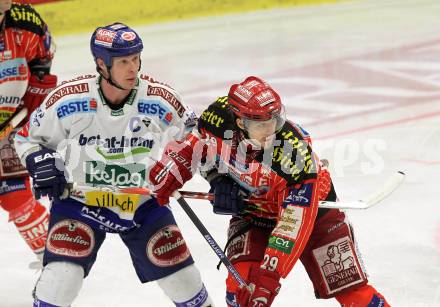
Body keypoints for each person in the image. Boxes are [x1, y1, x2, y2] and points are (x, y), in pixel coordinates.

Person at [14, 22, 213, 307]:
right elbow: (27, 138)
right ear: (101, 64)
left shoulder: (159, 98)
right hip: (80, 202)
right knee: (60, 282)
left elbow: (197, 139)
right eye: (123, 61)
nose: (133, 68)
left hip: (143, 204)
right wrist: (40, 159)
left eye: (135, 58)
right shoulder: (69, 98)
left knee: (185, 282)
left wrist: (218, 177)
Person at [149, 76, 390, 306]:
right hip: (254, 213)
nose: (271, 130)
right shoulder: (217, 118)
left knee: (352, 292)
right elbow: (195, 145)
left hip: (315, 219)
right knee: (241, 289)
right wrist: (187, 173)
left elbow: (292, 222)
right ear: (241, 122)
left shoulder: (293, 154)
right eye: (261, 125)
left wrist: (270, 275)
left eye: (273, 121)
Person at [0, 0, 56, 263]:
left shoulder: (25, 22)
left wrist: (38, 87)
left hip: (9, 120)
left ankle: (55, 260)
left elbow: (42, 60)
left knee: (15, 195)